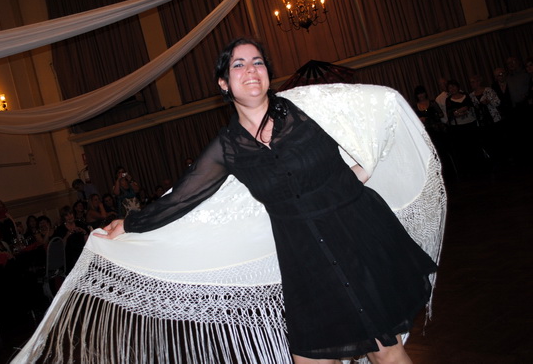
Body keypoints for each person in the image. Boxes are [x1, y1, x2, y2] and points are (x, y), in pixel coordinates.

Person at [97, 38, 437, 363]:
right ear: (223, 84)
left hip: (355, 238)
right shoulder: (228, 147)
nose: (250, 69)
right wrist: (130, 224)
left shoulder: (307, 108)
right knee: (312, 358)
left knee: (385, 351)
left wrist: (365, 165)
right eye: (238, 64)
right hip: (305, 261)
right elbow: (183, 197)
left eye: (257, 62)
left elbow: (377, 107)